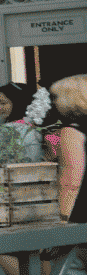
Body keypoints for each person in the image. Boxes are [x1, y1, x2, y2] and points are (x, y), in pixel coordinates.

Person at [54, 75, 87, 224]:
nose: (54, 102)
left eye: (56, 96)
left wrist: (63, 217)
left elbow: (71, 179)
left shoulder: (72, 130)